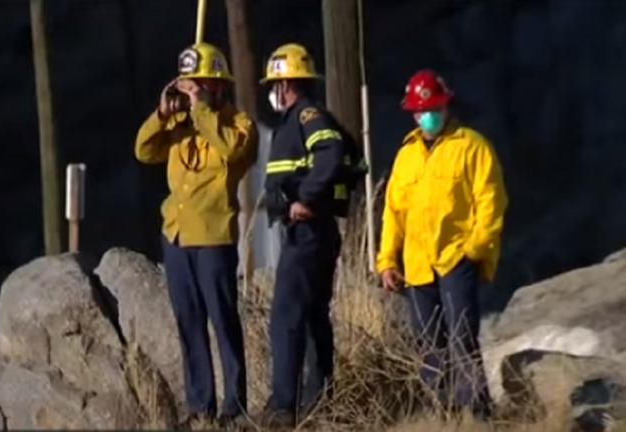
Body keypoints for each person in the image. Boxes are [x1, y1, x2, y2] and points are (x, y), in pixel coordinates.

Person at [133, 42, 258, 427]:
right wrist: (162, 113)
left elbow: (232, 152)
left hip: (214, 238)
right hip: (177, 237)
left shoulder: (239, 125)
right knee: (188, 323)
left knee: (223, 320)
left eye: (201, 84)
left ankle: (234, 407)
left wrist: (202, 108)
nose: (194, 92)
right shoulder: (179, 124)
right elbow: (144, 151)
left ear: (219, 85)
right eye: (189, 85)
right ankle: (200, 405)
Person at [377, 69, 508, 419]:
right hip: (416, 266)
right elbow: (393, 213)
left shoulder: (472, 146)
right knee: (428, 345)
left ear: (446, 106)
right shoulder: (406, 155)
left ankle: (476, 416)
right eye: (420, 111)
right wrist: (387, 261)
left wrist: (475, 249)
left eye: (432, 108)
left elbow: (491, 202)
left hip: (456, 260)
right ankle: (440, 415)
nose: (426, 116)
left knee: (462, 337)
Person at [245, 43, 364, 428]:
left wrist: (307, 199)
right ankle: (319, 401)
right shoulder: (297, 120)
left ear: (286, 84)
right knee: (313, 317)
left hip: (308, 232)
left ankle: (284, 406)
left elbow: (331, 152)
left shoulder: (308, 116)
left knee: (286, 315)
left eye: (274, 84)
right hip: (314, 233)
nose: (271, 92)